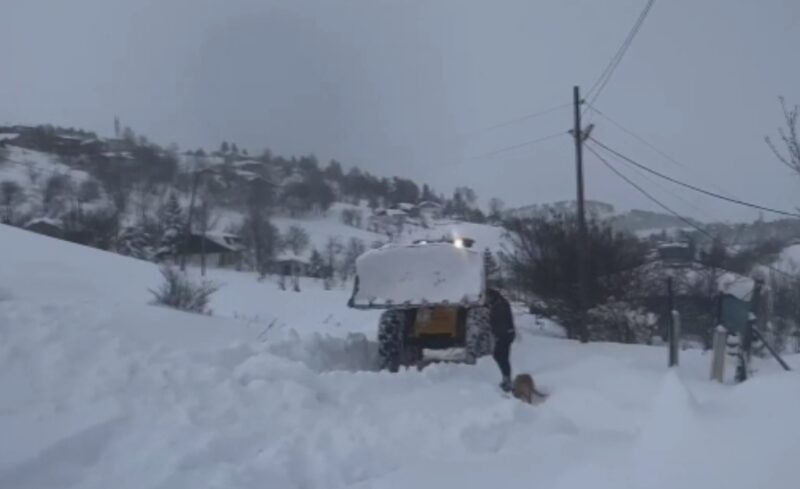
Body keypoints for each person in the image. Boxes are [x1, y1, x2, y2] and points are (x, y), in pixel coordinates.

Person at [485, 287, 516, 392]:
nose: (487, 300)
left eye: (488, 297)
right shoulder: (498, 303)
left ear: (492, 296)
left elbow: (501, 322)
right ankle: (506, 379)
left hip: (505, 335)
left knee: (501, 357)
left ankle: (507, 382)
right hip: (504, 335)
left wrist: (497, 333)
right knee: (499, 356)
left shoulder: (500, 305)